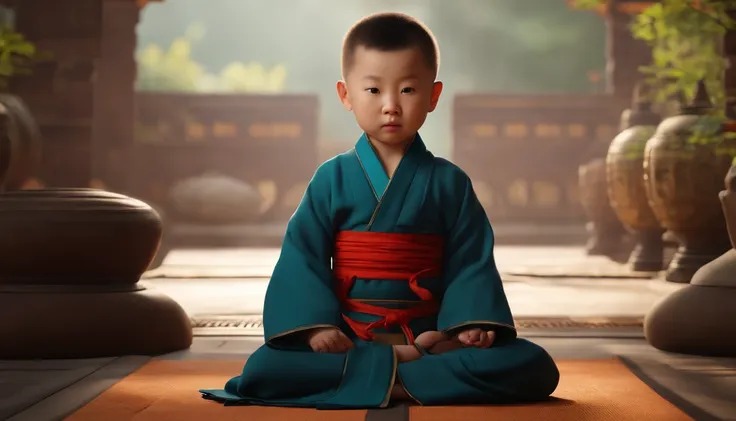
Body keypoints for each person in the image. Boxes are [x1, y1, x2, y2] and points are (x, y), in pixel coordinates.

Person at [200, 12, 560, 408]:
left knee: (534, 365)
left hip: (432, 337)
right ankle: (408, 378)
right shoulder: (331, 178)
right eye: (373, 90)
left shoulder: (450, 182)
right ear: (346, 95)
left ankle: (381, 379)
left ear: (433, 96)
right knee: (264, 370)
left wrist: (469, 326)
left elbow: (471, 263)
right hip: (348, 337)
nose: (391, 106)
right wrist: (315, 330)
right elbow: (301, 258)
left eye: (407, 90)